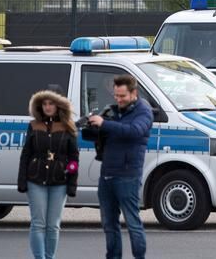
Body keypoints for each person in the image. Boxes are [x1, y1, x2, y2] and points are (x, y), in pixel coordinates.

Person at [81, 74, 151, 259]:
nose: (119, 100)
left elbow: (134, 131)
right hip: (107, 173)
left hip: (128, 174)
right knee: (109, 224)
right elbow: (93, 135)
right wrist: (91, 126)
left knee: (133, 223)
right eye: (116, 96)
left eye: (122, 96)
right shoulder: (112, 110)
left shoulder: (144, 111)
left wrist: (105, 123)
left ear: (134, 93)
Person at [18, 90, 79, 259]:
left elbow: (74, 159)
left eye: (51, 103)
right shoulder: (33, 125)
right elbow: (26, 154)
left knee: (53, 225)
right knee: (38, 223)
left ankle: (49, 257)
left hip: (59, 182)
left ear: (58, 105)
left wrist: (72, 182)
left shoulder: (68, 126)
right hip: (35, 180)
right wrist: (22, 180)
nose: (47, 107)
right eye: (44, 104)